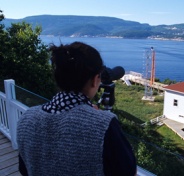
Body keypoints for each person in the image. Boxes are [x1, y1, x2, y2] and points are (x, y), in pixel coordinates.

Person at [17, 42, 137, 176]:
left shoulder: (26, 118)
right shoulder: (103, 124)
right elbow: (128, 171)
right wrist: (96, 117)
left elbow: (24, 170)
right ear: (95, 80)